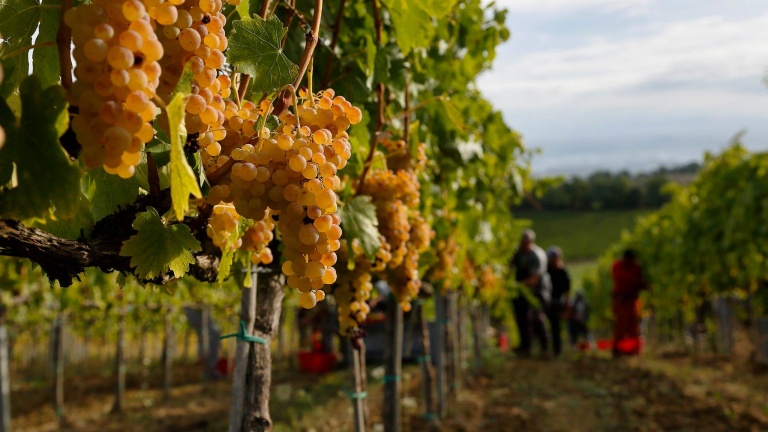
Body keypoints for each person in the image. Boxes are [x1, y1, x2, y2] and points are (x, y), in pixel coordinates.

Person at [511, 229, 551, 357]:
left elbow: (535, 278)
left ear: (531, 242)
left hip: (537, 290)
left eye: (526, 242)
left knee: (536, 318)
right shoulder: (517, 253)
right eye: (522, 242)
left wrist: (518, 285)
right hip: (521, 290)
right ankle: (525, 347)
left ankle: (545, 347)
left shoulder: (536, 255)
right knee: (521, 317)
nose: (523, 244)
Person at [611, 248, 647, 357]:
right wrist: (639, 282)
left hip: (632, 300)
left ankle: (633, 350)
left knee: (634, 325)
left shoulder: (635, 266)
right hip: (621, 300)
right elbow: (626, 279)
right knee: (620, 326)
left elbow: (639, 281)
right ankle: (617, 350)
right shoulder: (617, 266)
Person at [546, 247, 570, 357]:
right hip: (545, 301)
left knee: (556, 327)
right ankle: (545, 348)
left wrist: (565, 306)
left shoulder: (563, 272)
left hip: (558, 303)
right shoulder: (546, 271)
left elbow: (566, 292)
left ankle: (557, 350)